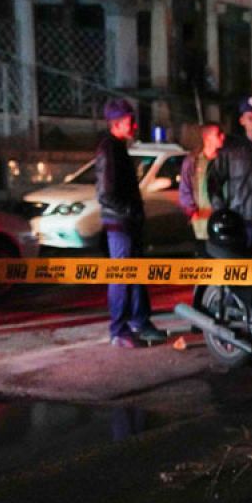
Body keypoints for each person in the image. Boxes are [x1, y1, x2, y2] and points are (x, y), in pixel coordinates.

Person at [95, 98, 161, 349]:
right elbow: (106, 193)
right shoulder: (108, 150)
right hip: (119, 225)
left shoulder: (117, 148)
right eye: (130, 121)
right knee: (122, 277)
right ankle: (119, 330)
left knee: (133, 275)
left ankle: (138, 322)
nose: (135, 126)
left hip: (126, 223)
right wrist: (130, 211)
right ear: (117, 124)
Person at [209, 96, 252, 250]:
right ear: (242, 121)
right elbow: (214, 181)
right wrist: (221, 212)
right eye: (250, 118)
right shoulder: (231, 152)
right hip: (240, 225)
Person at [178, 122, 225, 248]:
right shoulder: (193, 161)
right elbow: (185, 189)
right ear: (207, 138)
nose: (223, 137)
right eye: (218, 134)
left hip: (223, 224)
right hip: (202, 227)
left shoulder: (226, 160)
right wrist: (193, 212)